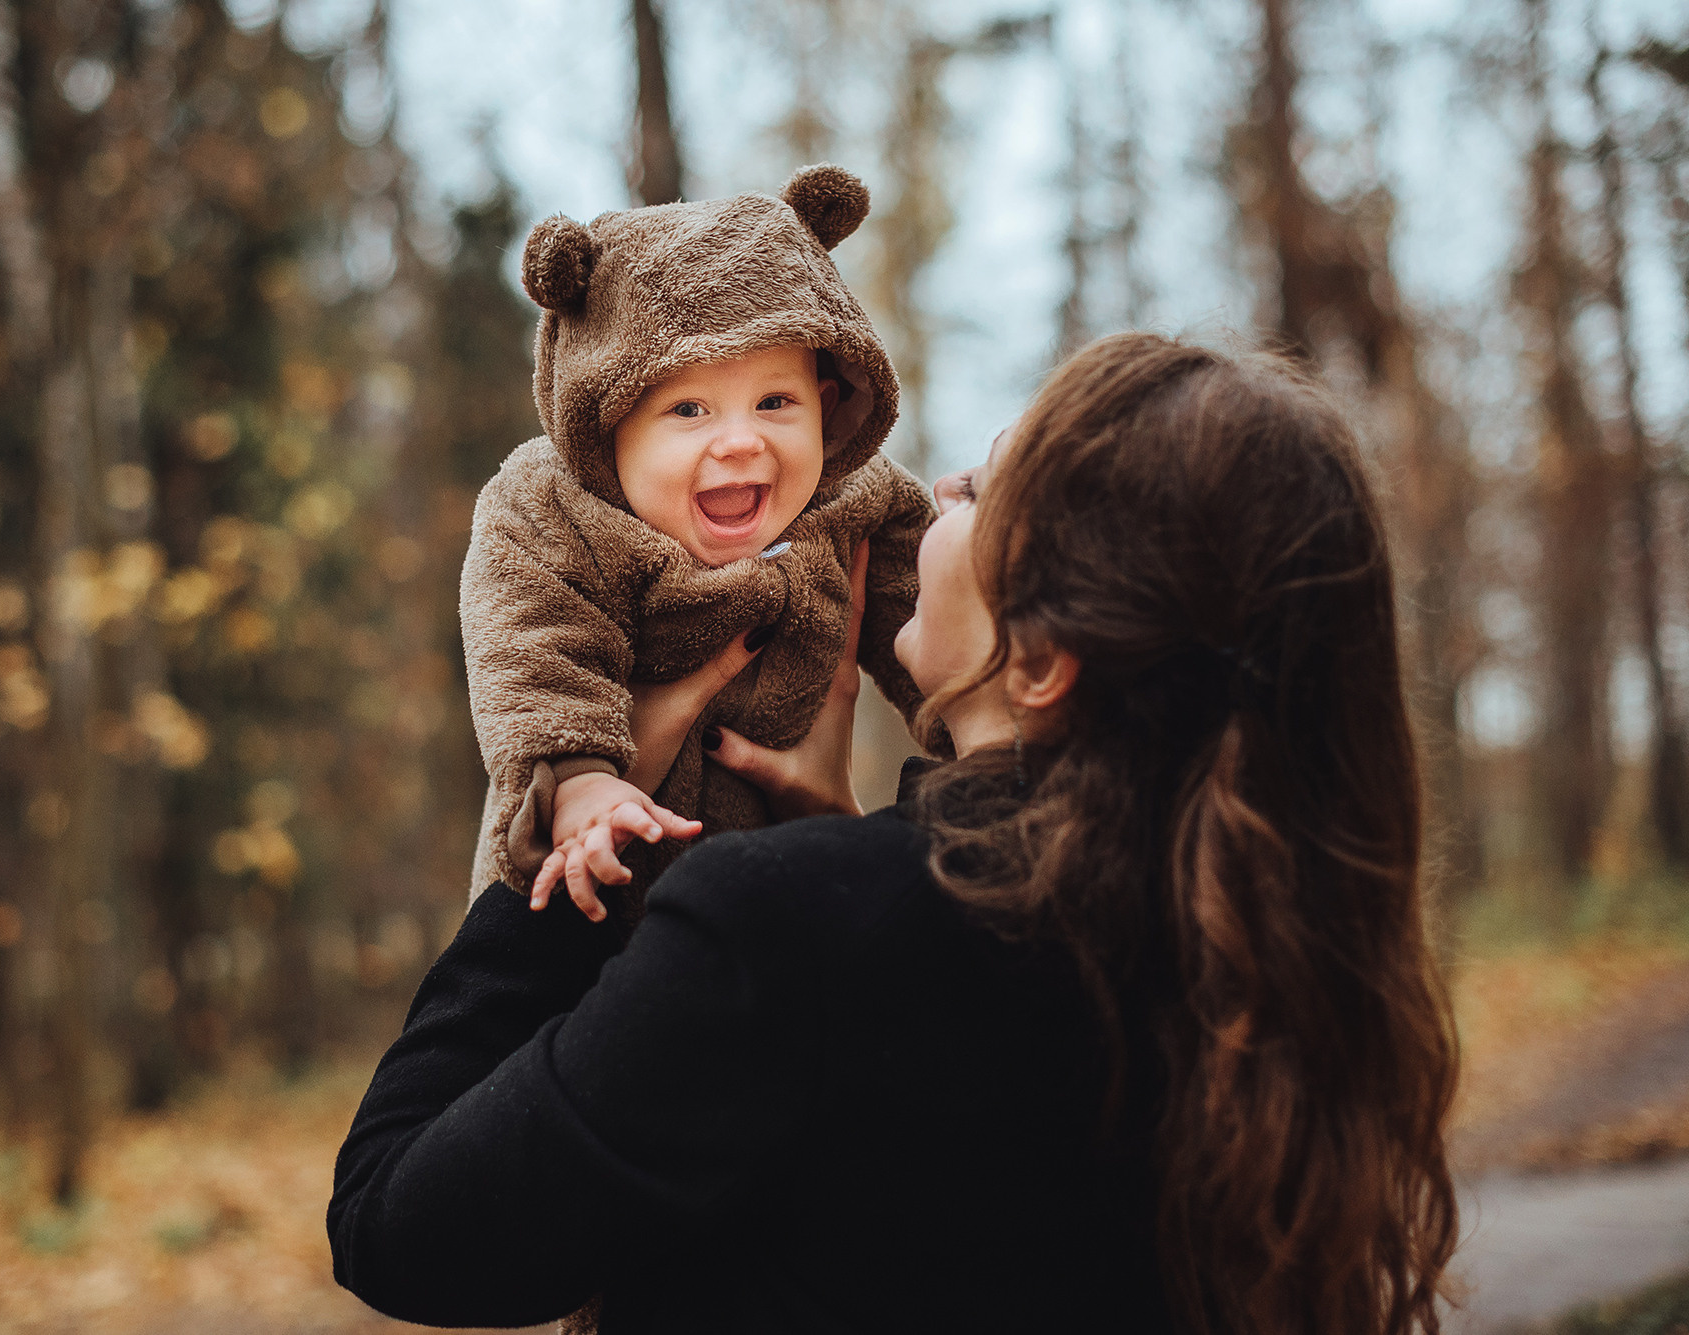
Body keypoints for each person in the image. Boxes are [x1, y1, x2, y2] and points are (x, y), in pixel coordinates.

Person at [329, 333, 1460, 1335]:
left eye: (982, 493)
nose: (943, 487)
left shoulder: (778, 933)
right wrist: (866, 851)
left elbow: (398, 1224)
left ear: (1042, 655)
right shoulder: (1249, 938)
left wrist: (572, 831)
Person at [460, 163, 934, 921]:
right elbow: (530, 644)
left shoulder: (858, 501)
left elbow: (935, 622)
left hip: (777, 903)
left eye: (775, 401)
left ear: (829, 402)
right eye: (689, 410)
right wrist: (579, 782)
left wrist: (986, 747)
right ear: (606, 425)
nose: (741, 441)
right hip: (596, 893)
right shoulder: (555, 512)